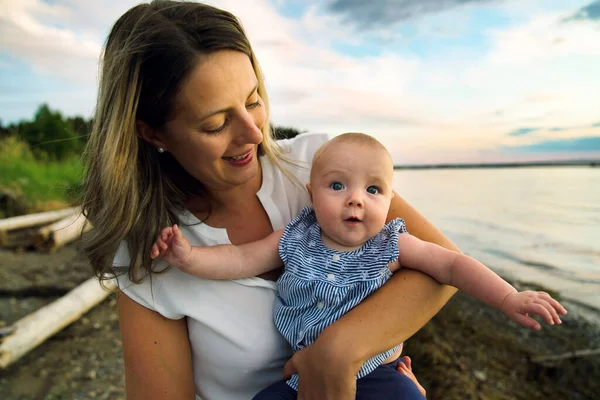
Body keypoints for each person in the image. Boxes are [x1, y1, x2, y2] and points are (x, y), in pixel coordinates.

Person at [81, 1, 463, 399]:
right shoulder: (147, 255)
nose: (253, 133)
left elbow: (443, 265)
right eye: (216, 123)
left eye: (252, 101)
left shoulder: (320, 167)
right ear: (152, 134)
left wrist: (338, 353)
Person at [151, 132, 567, 399]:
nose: (356, 199)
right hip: (304, 379)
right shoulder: (297, 236)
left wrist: (508, 296)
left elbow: (453, 266)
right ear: (311, 193)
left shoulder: (392, 243)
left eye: (373, 189)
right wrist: (189, 257)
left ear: (388, 199)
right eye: (337, 185)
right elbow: (242, 258)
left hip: (378, 374)